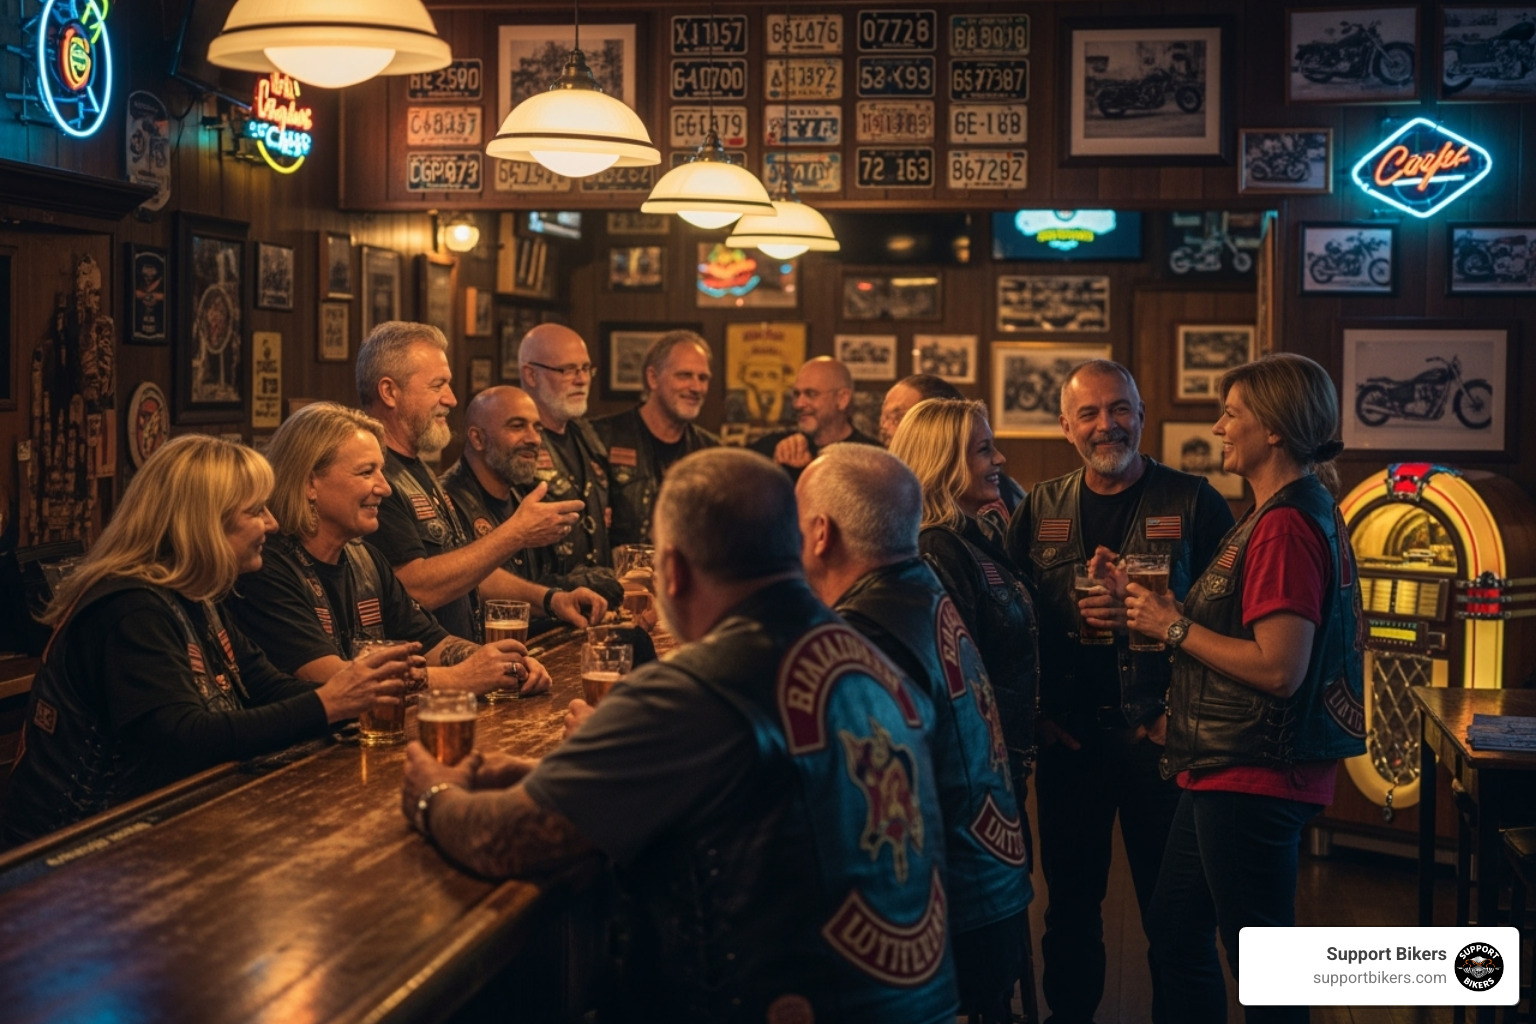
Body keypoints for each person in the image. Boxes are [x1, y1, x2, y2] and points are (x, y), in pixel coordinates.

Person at [401, 448, 959, 1022]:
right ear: (795, 548)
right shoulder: (868, 660)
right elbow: (750, 795)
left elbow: (507, 840)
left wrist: (433, 793)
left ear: (671, 571)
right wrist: (540, 778)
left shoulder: (697, 689)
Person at [2, 435, 409, 847]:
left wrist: (354, 700)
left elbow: (265, 686)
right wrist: (328, 703)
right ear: (205, 521)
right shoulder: (131, 610)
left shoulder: (196, 594)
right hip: (70, 855)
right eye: (256, 510)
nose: (273, 523)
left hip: (151, 828)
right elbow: (185, 738)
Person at [1123, 354, 1365, 1024]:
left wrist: (1171, 628)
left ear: (1276, 429)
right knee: (1175, 929)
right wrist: (1162, 606)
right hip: (1229, 767)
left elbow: (1279, 668)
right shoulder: (1284, 511)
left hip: (1255, 773)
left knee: (1265, 967)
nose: (1219, 426)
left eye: (1232, 413)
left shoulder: (1285, 524)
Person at [1003, 359, 1235, 1024]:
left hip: (1162, 741)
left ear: (1139, 411)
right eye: (1090, 413)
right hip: (1070, 744)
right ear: (1065, 427)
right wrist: (1041, 714)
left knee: (1174, 916)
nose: (1107, 425)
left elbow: (1237, 623)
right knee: (1069, 908)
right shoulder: (1039, 506)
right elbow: (1013, 625)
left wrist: (1164, 610)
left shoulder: (1195, 500)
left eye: (1119, 409)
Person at [797, 444, 1030, 1023]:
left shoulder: (862, 635)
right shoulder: (921, 590)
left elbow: (840, 800)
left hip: (947, 926)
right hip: (992, 895)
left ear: (820, 532)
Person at [227, 402, 550, 698]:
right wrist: (462, 678)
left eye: (382, 470)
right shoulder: (265, 567)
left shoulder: (364, 557)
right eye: (367, 472)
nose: (385, 487)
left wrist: (503, 662)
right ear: (311, 483)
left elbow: (432, 642)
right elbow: (330, 677)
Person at [356, 321, 602, 643]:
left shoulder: (416, 469)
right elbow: (416, 588)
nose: (452, 399)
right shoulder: (376, 476)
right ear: (389, 392)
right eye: (438, 385)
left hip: (460, 669)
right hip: (422, 678)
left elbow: (465, 572)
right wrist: (515, 533)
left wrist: (550, 599)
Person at [887, 399, 1038, 796]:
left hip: (996, 761)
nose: (1000, 459)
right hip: (975, 773)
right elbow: (957, 680)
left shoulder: (973, 539)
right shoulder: (937, 549)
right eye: (984, 449)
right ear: (945, 460)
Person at [441, 387, 623, 637]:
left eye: (537, 429)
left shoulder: (522, 499)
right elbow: (468, 585)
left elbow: (540, 580)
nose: (535, 439)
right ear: (478, 439)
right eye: (517, 426)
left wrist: (567, 596)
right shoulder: (445, 501)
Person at [592, 329, 720, 546]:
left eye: (703, 378)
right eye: (684, 375)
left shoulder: (711, 452)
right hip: (612, 578)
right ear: (653, 378)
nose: (696, 387)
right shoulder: (599, 437)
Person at [517, 323, 614, 570]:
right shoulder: (511, 441)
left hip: (594, 596)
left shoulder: (587, 435)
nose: (581, 380)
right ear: (530, 375)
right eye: (568, 370)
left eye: (585, 369)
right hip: (539, 598)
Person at [881, 373, 1026, 515]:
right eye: (884, 416)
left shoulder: (995, 495)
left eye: (897, 417)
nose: (885, 426)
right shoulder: (888, 494)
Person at [750, 356, 881, 480]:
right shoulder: (774, 447)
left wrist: (810, 468)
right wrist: (772, 469)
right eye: (796, 394)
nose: (799, 404)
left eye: (811, 394)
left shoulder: (872, 458)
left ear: (842, 399)